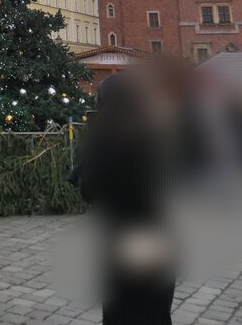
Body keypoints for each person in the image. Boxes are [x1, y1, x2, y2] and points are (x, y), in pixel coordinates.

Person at [72, 69, 178, 325]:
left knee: (124, 311)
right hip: (155, 234)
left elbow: (90, 190)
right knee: (155, 310)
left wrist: (94, 148)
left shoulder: (110, 142)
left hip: (125, 237)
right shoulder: (153, 134)